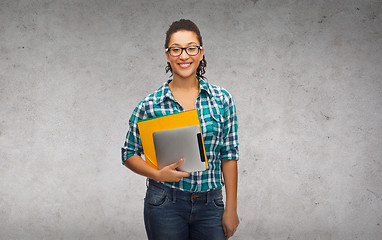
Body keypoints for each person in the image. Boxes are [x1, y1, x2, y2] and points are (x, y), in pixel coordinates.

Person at [121, 19, 239, 240]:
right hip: (165, 202)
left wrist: (231, 208)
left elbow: (229, 155)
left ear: (201, 53)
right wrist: (157, 173)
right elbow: (128, 153)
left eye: (191, 48)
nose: (184, 56)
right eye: (176, 49)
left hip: (211, 204)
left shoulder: (222, 99)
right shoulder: (150, 105)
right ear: (167, 55)